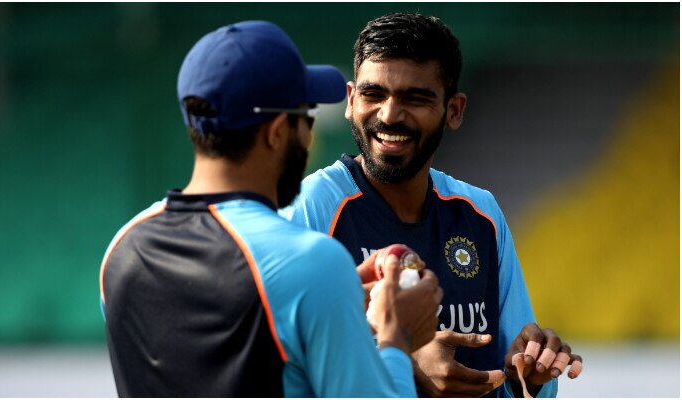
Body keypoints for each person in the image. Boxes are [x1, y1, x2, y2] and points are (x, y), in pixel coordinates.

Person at [99, 20, 443, 397]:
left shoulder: (123, 248)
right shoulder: (311, 262)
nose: (309, 135)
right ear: (277, 131)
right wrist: (398, 335)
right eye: (305, 117)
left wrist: (334, 297)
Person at [280, 12, 583, 398]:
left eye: (415, 98)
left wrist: (533, 372)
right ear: (351, 100)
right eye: (374, 95)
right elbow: (281, 369)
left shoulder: (481, 213)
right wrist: (406, 363)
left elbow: (519, 375)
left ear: (454, 110)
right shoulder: (312, 207)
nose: (389, 114)